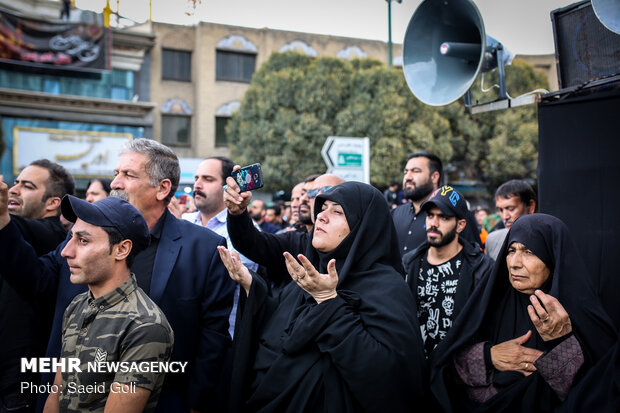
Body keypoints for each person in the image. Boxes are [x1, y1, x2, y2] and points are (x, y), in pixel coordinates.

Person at [0, 139, 234, 412]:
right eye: (115, 174)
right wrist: (3, 221)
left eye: (128, 175)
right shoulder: (83, 234)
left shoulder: (203, 248)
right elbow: (34, 279)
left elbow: (213, 337)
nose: (115, 184)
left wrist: (197, 404)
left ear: (162, 188)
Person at [220, 182, 426, 412]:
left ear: (364, 226)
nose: (321, 217)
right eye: (322, 208)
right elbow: (279, 329)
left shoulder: (386, 288)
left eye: (337, 211)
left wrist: (329, 302)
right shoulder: (311, 274)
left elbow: (390, 378)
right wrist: (251, 285)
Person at [430, 214, 617, 412]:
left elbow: (597, 392)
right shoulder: (489, 302)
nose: (514, 263)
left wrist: (561, 343)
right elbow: (443, 367)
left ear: (552, 256)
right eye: (511, 251)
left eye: (528, 251)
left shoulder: (583, 316)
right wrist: (488, 356)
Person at [43, 195, 173, 413]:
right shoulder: (78, 305)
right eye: (71, 238)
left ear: (121, 249)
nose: (66, 251)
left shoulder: (145, 326)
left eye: (83, 241)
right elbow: (57, 392)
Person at [0, 160, 74, 413]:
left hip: (20, 388)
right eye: (16, 182)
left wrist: (3, 219)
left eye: (27, 186)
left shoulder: (53, 237)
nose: (13, 189)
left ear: (53, 202)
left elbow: (16, 230)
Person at [403, 186, 494, 358]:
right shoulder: (409, 263)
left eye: (443, 217)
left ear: (460, 225)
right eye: (430, 215)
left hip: (458, 371)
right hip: (416, 368)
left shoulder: (481, 268)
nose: (433, 223)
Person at [181, 156, 258, 338]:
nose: (197, 185)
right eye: (196, 178)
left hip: (224, 337)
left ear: (228, 186)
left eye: (208, 179)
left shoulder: (246, 232)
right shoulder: (183, 222)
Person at [225, 172, 344, 288]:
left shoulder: (359, 254)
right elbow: (253, 243)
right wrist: (238, 213)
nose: (306, 199)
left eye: (325, 190)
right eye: (311, 193)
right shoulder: (295, 240)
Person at [392, 152, 481, 256]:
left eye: (415, 171)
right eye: (406, 172)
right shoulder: (395, 214)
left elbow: (474, 261)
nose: (408, 177)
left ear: (434, 177)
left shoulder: (457, 214)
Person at [485, 179, 537, 260]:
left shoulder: (547, 240)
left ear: (530, 207)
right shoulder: (492, 240)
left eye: (511, 208)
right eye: (500, 210)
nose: (505, 216)